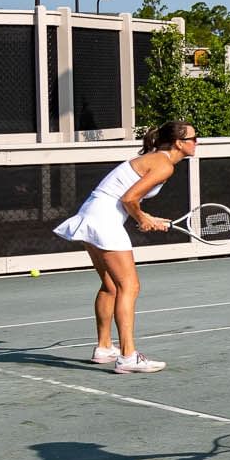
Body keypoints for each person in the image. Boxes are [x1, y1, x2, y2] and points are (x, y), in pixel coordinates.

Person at [52, 120, 197, 374]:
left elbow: (127, 198)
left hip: (91, 214)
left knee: (110, 285)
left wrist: (148, 218)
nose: (197, 143)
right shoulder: (164, 165)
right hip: (104, 220)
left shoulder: (156, 159)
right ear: (179, 143)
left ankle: (104, 348)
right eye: (193, 139)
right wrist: (142, 219)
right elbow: (128, 198)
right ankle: (128, 356)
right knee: (129, 286)